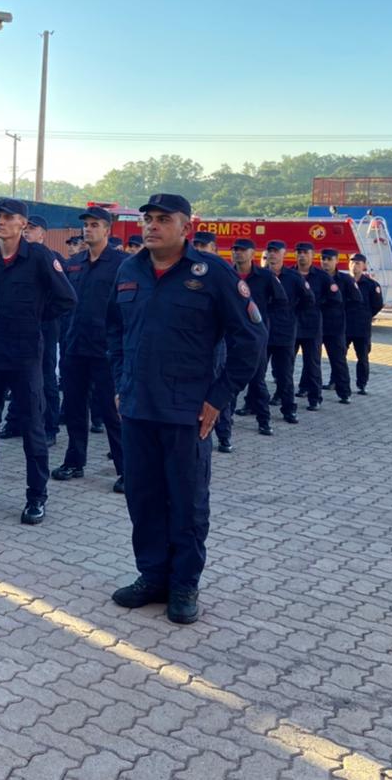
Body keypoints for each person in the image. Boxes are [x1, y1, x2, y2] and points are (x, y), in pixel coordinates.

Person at [106, 194, 265, 625]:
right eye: (148, 219)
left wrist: (219, 397)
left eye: (163, 219)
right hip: (138, 409)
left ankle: (183, 584)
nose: (152, 226)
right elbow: (115, 332)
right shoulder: (129, 269)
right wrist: (122, 382)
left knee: (187, 502)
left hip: (187, 413)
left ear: (185, 228)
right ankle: (152, 576)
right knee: (143, 497)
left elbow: (251, 339)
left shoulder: (212, 274)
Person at [0, 198, 76, 524]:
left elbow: (66, 298)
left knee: (32, 429)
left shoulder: (40, 258)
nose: (0, 222)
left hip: (25, 355)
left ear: (23, 225)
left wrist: (34, 318)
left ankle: (36, 497)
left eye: (8, 217)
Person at [52, 205, 127, 491]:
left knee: (112, 411)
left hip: (106, 350)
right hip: (74, 347)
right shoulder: (75, 263)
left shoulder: (122, 264)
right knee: (73, 407)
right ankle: (74, 460)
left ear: (107, 230)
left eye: (95, 225)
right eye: (86, 225)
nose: (89, 229)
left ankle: (125, 469)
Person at [5, 213, 62, 446]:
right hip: (18, 329)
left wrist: (41, 315)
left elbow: (63, 297)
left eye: (33, 228)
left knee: (46, 376)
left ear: (43, 234)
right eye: (26, 227)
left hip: (44, 326)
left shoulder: (50, 257)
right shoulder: (15, 257)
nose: (27, 231)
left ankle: (50, 427)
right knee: (17, 375)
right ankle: (14, 422)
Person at [228, 239, 287, 437]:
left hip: (255, 337)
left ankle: (264, 421)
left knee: (257, 380)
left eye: (242, 250)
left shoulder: (265, 276)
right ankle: (226, 423)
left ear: (252, 253)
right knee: (228, 381)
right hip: (231, 335)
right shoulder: (226, 274)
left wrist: (262, 320)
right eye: (235, 250)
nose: (238, 253)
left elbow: (281, 301)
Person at [192, 231, 235, 452]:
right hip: (189, 347)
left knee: (217, 390)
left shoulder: (221, 272)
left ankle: (225, 435)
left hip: (215, 343)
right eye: (196, 244)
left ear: (214, 248)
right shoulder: (184, 270)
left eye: (204, 245)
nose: (199, 249)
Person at [263, 240, 313, 424]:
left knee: (284, 375)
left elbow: (308, 300)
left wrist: (291, 314)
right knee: (257, 373)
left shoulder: (293, 278)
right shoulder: (260, 276)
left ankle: (288, 410)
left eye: (276, 251)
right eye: (270, 251)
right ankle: (253, 404)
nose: (273, 254)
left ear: (284, 254)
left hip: (284, 332)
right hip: (263, 332)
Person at [292, 242, 330, 412]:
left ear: (312, 255)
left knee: (313, 364)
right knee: (285, 364)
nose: (302, 255)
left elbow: (334, 299)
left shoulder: (322, 277)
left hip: (312, 326)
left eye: (305, 253)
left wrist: (314, 305)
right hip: (291, 326)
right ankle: (281, 394)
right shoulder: (289, 274)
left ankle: (315, 398)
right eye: (299, 252)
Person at [318, 247, 360, 404]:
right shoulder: (316, 277)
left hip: (335, 326)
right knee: (312, 360)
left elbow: (356, 300)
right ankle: (306, 388)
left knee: (338, 360)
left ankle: (344, 392)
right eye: (323, 259)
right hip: (316, 325)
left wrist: (340, 310)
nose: (326, 262)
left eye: (329, 259)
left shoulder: (345, 280)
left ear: (336, 261)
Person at [346, 253, 383, 394]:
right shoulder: (343, 282)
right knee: (338, 357)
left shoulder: (371, 284)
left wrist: (366, 316)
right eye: (352, 263)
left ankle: (361, 384)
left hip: (362, 328)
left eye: (358, 263)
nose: (354, 266)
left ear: (364, 266)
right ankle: (334, 381)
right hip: (345, 326)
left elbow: (377, 304)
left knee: (362, 358)